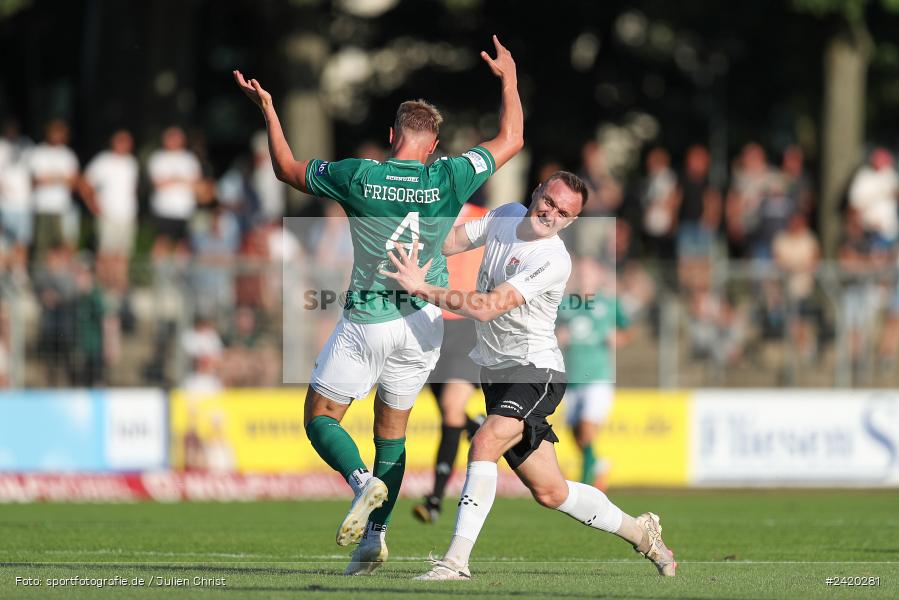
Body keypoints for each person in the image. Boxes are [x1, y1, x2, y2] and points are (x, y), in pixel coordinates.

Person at [234, 34, 523, 576]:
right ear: (433, 145)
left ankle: (361, 483)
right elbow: (512, 136)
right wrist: (507, 78)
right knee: (392, 430)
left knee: (321, 418)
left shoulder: (358, 175)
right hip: (425, 324)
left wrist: (270, 110)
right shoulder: (451, 174)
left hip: (368, 319)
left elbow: (287, 169)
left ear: (392, 136)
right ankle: (376, 537)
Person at [382, 171, 676, 581]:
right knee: (551, 491)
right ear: (536, 190)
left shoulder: (553, 259)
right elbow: (450, 242)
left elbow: (487, 307)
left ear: (571, 222)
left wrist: (420, 287)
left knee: (484, 441)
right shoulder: (504, 215)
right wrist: (406, 238)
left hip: (537, 371)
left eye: (564, 213)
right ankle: (641, 532)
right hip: (496, 372)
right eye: (550, 202)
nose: (551, 214)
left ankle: (454, 562)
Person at [412, 199, 488, 524]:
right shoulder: (422, 217)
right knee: (448, 410)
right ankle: (480, 427)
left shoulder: (484, 219)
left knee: (451, 407)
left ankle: (435, 498)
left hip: (466, 324)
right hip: (426, 321)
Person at [556, 256, 631, 489]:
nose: (584, 276)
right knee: (575, 434)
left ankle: (585, 486)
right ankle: (598, 466)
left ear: (599, 276)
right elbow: (550, 332)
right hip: (571, 378)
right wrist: (559, 337)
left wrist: (616, 338)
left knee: (587, 431)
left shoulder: (609, 303)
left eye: (589, 272)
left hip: (597, 377)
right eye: (581, 272)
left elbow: (627, 332)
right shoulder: (565, 303)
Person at [28, 120, 79, 259]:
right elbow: (36, 180)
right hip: (42, 207)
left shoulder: (68, 155)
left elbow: (74, 182)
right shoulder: (38, 152)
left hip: (62, 207)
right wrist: (60, 178)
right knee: (41, 245)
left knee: (62, 245)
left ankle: (58, 277)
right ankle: (40, 275)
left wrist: (52, 178)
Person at [148, 126, 201, 257]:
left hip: (184, 209)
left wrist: (172, 179)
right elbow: (158, 183)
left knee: (183, 243)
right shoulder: (158, 158)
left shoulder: (189, 159)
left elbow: (196, 183)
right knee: (162, 241)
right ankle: (158, 275)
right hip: (164, 209)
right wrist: (180, 179)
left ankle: (178, 275)